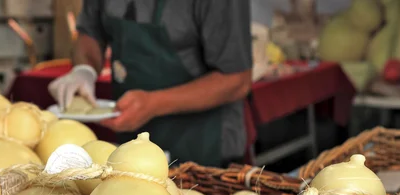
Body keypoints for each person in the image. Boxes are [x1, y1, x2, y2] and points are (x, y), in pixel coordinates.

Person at [48, 0, 252, 167]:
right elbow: (91, 32)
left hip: (202, 147)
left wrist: (153, 104)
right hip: (131, 145)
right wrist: (85, 70)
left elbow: (237, 80)